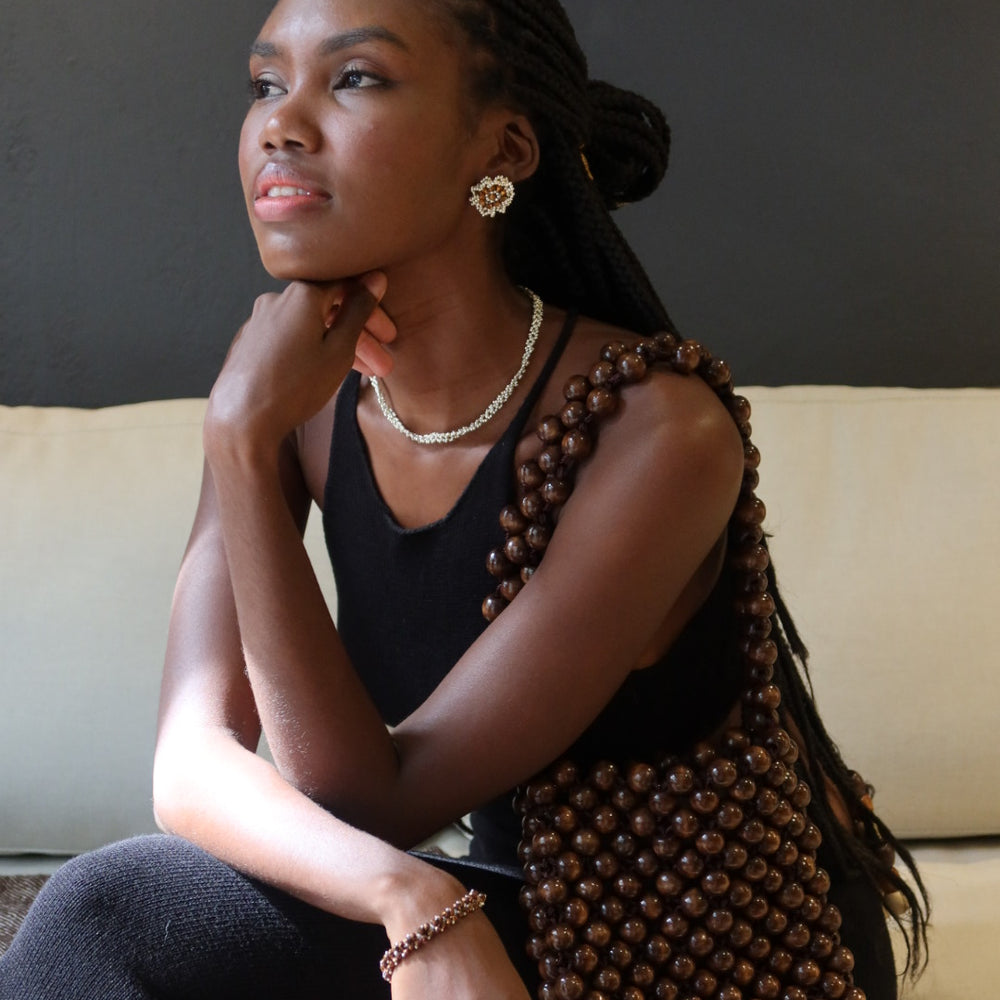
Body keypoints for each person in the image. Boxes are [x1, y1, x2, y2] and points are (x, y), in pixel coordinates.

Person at [0, 1, 927, 997]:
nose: (282, 123)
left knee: (105, 913)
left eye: (355, 78)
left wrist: (241, 437)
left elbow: (374, 797)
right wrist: (409, 896)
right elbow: (191, 764)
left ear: (503, 148)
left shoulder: (657, 430)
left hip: (699, 942)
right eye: (266, 83)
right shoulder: (286, 394)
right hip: (499, 917)